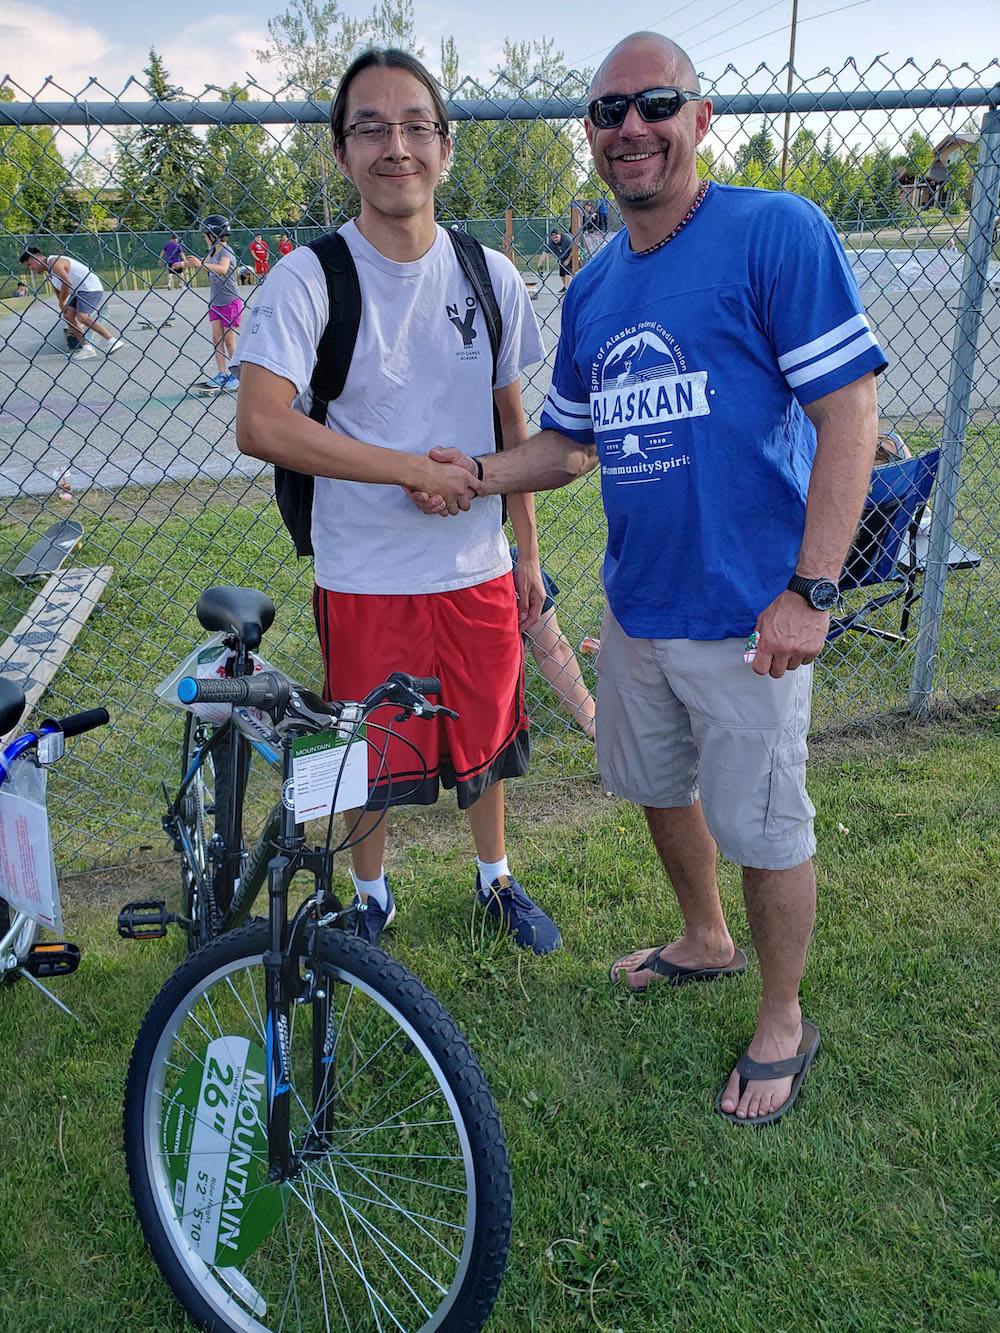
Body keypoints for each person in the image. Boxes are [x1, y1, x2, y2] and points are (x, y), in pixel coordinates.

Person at [423, 32, 887, 1125]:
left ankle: (781, 1014)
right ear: (588, 135)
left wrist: (810, 590)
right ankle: (704, 937)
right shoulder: (593, 290)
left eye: (654, 103)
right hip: (639, 609)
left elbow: (848, 412)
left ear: (699, 116)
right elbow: (569, 446)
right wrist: (476, 473)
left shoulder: (775, 231)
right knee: (656, 785)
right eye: (608, 112)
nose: (629, 126)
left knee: (768, 825)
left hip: (750, 615)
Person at [231, 48, 560, 955]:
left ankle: (495, 879)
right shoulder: (308, 278)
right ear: (341, 153)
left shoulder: (490, 273)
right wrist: (406, 469)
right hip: (366, 570)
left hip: (477, 568)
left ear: (445, 148)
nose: (395, 146)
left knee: (489, 732)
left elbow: (510, 419)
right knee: (367, 752)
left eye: (416, 125)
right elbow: (260, 423)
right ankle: (370, 897)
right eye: (370, 127)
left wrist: (524, 548)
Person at [511, 546, 596, 741]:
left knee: (551, 646)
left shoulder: (515, 564)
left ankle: (591, 718)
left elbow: (553, 651)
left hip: (499, 567)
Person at [19, 247, 124, 360]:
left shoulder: (54, 262)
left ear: (36, 258)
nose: (31, 269)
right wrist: (61, 303)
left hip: (90, 288)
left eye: (30, 264)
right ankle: (87, 348)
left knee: (82, 316)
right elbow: (58, 289)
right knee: (68, 315)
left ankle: (112, 340)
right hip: (79, 291)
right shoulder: (50, 272)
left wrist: (63, 301)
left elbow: (67, 282)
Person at [180, 216, 242, 391]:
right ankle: (222, 373)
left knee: (229, 339)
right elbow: (201, 264)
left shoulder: (225, 252)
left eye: (206, 234)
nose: (205, 237)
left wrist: (201, 264)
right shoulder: (211, 253)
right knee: (217, 338)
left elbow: (222, 269)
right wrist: (183, 264)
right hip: (215, 302)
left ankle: (237, 376)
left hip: (230, 301)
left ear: (213, 235)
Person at [547, 228, 574, 292]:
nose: (555, 239)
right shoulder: (552, 243)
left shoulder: (567, 238)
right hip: (563, 257)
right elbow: (544, 253)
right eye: (553, 237)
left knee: (568, 271)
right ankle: (566, 287)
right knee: (562, 273)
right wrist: (540, 264)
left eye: (556, 237)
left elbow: (574, 250)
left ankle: (568, 288)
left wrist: (568, 260)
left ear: (560, 235)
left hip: (572, 256)